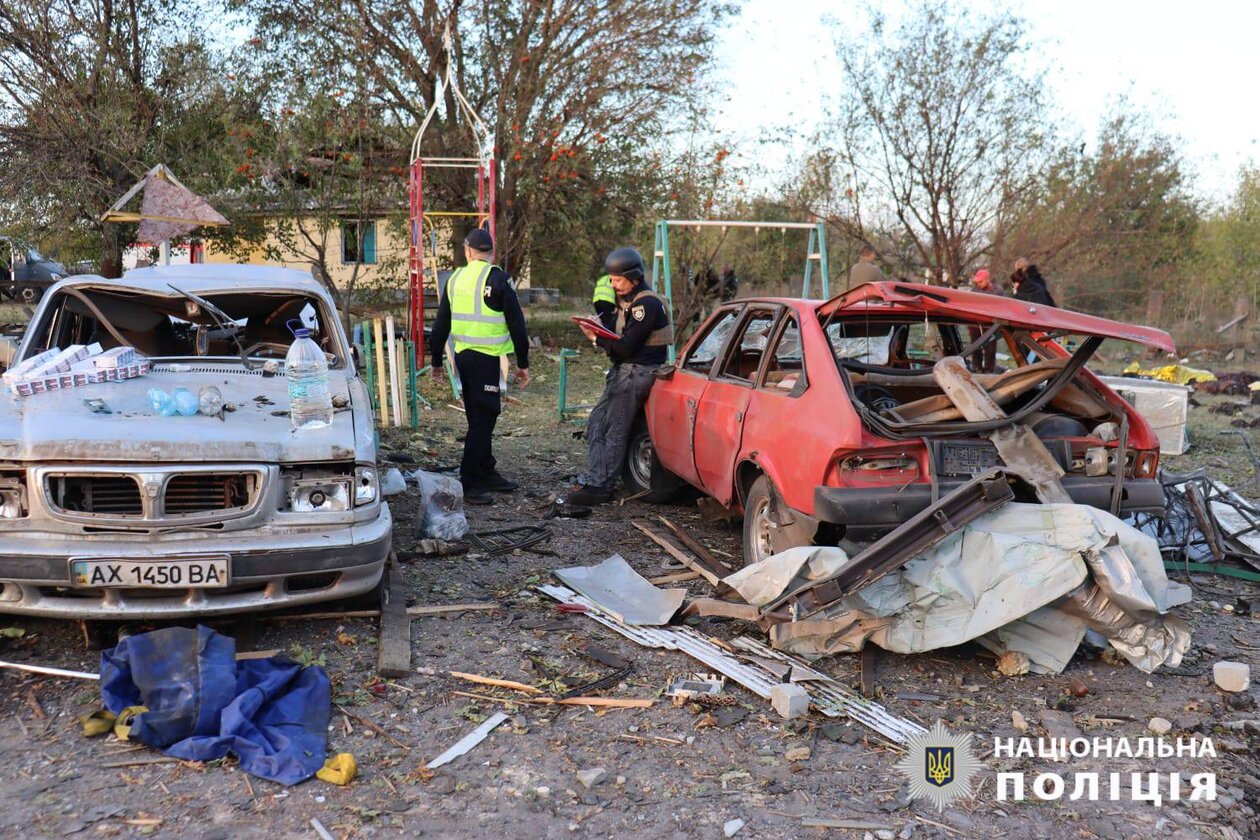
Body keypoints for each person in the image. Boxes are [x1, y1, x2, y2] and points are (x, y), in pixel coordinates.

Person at [430, 229, 530, 505]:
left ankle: (485, 470)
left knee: (481, 415)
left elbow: (441, 325)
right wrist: (523, 363)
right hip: (486, 359)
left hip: (464, 358)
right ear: (492, 252)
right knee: (483, 419)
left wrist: (436, 361)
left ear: (468, 251)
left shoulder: (454, 279)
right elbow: (516, 323)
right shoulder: (499, 279)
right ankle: (471, 481)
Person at [568, 246, 672, 506]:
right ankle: (595, 478)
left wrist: (596, 338)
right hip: (624, 371)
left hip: (635, 372)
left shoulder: (646, 305)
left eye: (617, 280)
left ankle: (601, 487)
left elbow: (626, 347)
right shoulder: (630, 301)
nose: (613, 285)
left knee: (615, 429)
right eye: (611, 279)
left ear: (634, 277)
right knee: (596, 423)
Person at [967, 268, 1003, 372]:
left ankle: (989, 369)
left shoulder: (997, 291)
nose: (978, 284)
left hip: (991, 324)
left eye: (981, 281)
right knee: (975, 346)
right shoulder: (974, 291)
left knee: (990, 348)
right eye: (977, 282)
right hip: (976, 323)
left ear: (988, 279)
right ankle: (976, 367)